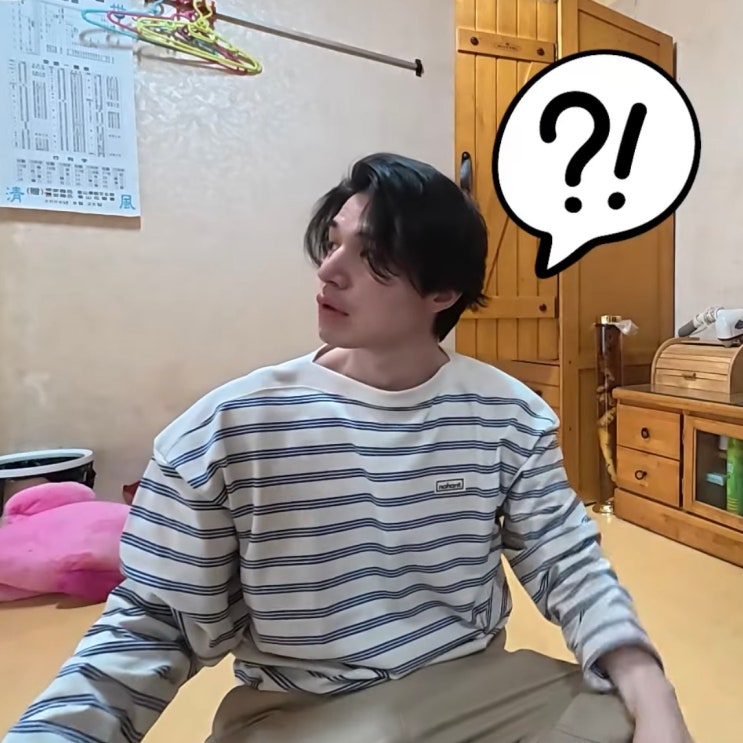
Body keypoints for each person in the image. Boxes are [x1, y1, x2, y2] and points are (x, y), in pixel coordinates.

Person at [3, 153, 693, 743]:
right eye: (332, 243)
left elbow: (567, 562)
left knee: (621, 717)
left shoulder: (509, 416)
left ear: (443, 291)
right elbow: (153, 622)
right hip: (301, 713)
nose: (330, 271)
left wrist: (654, 691)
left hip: (474, 691)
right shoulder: (226, 429)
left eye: (372, 256)